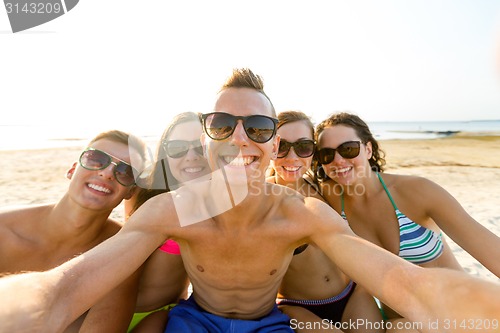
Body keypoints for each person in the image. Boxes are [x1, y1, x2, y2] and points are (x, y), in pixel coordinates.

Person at [1, 68, 500, 333]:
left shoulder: (302, 211)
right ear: (206, 135)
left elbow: (409, 286)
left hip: (273, 323)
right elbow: (60, 292)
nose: (241, 138)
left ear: (272, 141)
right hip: (195, 319)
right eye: (222, 125)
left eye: (259, 127)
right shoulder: (172, 210)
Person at [312, 111, 500, 319]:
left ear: (368, 149)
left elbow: (488, 247)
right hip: (401, 321)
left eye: (348, 149)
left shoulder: (417, 191)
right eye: (327, 154)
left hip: (459, 313)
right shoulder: (327, 199)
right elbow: (286, 186)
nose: (338, 160)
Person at [0, 130, 147, 332]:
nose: (106, 173)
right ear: (72, 170)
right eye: (96, 159)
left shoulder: (120, 250)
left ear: (130, 191)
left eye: (125, 171)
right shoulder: (4, 231)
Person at [267, 111, 384, 333]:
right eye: (282, 147)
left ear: (313, 151)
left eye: (303, 146)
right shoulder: (262, 199)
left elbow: (371, 190)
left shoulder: (324, 188)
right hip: (297, 307)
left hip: (352, 293)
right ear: (271, 147)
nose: (292, 157)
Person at [126, 112, 210, 332]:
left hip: (167, 319)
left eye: (200, 147)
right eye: (177, 148)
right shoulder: (143, 191)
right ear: (165, 153)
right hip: (118, 311)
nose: (191, 156)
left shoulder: (223, 203)